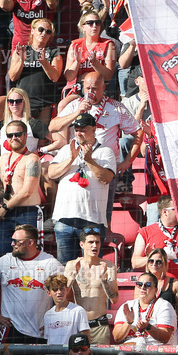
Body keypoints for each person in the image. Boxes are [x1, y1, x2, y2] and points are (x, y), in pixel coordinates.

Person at [46, 113, 116, 264]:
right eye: (76, 129)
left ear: (94, 129)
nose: (79, 133)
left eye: (83, 129)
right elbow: (51, 173)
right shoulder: (66, 150)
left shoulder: (106, 151)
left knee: (93, 267)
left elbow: (106, 178)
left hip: (93, 220)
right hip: (65, 219)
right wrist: (71, 158)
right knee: (66, 269)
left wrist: (89, 159)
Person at [0, 224, 64, 344]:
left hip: (41, 331)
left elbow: (64, 293)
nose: (12, 244)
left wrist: (55, 319)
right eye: (12, 241)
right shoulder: (5, 261)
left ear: (30, 243)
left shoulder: (51, 263)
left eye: (17, 241)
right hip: (10, 328)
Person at [112, 271, 177, 355]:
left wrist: (148, 327)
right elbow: (117, 337)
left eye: (147, 285)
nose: (142, 287)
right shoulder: (127, 306)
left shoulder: (164, 306)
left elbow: (165, 336)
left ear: (156, 290)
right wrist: (128, 322)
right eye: (139, 284)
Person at [0, 120, 42, 256]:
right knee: (3, 256)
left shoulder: (32, 159)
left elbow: (27, 191)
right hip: (8, 212)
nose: (14, 138)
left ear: (25, 136)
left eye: (18, 134)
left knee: (26, 256)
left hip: (27, 213)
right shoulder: (3, 158)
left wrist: (4, 208)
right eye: (10, 135)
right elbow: (3, 184)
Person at [64, 228, 118, 346]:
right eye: (91, 242)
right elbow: (62, 297)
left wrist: (104, 281)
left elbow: (115, 299)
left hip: (99, 326)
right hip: (78, 325)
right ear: (82, 244)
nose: (95, 246)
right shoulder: (72, 265)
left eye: (97, 242)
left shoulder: (109, 266)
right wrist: (72, 276)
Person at [6, 20, 63, 125]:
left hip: (44, 102)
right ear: (32, 31)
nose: (44, 33)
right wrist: (21, 61)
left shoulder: (54, 52)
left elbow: (55, 77)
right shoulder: (21, 51)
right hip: (22, 102)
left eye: (48, 32)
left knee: (41, 137)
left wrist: (44, 63)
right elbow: (12, 77)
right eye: (41, 30)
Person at [42, 274, 91, 355]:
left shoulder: (78, 311)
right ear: (49, 293)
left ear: (67, 290)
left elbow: (86, 339)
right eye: (55, 290)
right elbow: (48, 342)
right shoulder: (48, 315)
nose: (59, 292)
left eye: (62, 288)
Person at [144, 249, 178, 345]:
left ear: (165, 264)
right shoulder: (141, 283)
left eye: (159, 262)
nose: (154, 264)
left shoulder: (175, 284)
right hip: (147, 332)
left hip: (168, 331)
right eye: (151, 261)